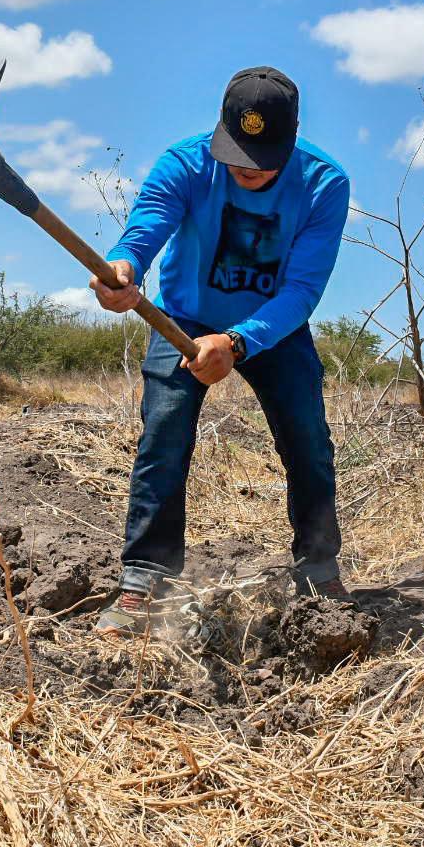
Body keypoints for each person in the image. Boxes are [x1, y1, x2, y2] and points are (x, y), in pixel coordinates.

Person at [90, 66, 351, 634]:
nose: (245, 170)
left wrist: (236, 342)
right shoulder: (184, 164)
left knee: (307, 436)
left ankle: (319, 567)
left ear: (291, 139)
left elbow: (302, 290)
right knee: (163, 431)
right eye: (235, 153)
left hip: (270, 327)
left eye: (262, 159)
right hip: (181, 317)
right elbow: (144, 229)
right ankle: (145, 577)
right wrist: (123, 268)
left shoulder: (325, 184)